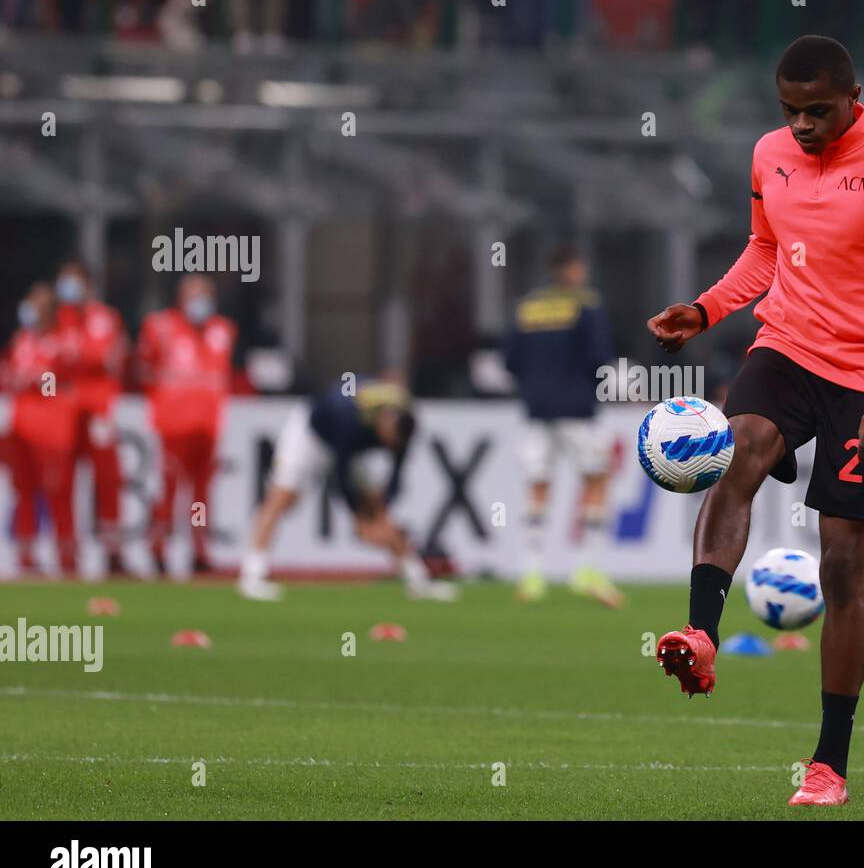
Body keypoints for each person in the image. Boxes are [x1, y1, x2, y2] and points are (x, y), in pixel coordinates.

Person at [645, 35, 864, 806]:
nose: (804, 126)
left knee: (843, 568)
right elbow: (764, 250)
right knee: (735, 448)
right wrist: (708, 308)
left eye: (819, 111)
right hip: (787, 345)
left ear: (855, 97)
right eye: (791, 112)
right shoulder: (769, 154)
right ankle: (701, 634)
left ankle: (830, 762)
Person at [237, 378, 457, 603]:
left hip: (347, 450)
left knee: (378, 509)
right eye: (389, 438)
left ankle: (417, 580)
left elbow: (395, 480)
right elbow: (341, 475)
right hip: (311, 435)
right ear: (384, 421)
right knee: (281, 499)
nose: (390, 446)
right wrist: (358, 517)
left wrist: (377, 512)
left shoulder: (404, 428)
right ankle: (252, 575)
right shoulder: (349, 418)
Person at [503, 245, 623, 608]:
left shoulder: (527, 306)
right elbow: (599, 357)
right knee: (596, 478)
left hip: (536, 409)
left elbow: (509, 361)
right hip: (577, 409)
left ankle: (532, 574)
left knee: (538, 486)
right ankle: (585, 568)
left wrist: (537, 384)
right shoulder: (585, 305)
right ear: (569, 269)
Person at [136, 274, 236, 577]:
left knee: (201, 495)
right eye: (193, 295)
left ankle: (199, 550)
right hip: (174, 424)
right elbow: (142, 368)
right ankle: (158, 548)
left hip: (207, 424)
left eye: (204, 294)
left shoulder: (222, 330)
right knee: (168, 490)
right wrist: (162, 402)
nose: (199, 302)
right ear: (180, 297)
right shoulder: (161, 327)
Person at [55, 261, 128, 575]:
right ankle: (67, 554)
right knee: (62, 482)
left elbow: (105, 358)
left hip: (98, 410)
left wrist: (72, 363)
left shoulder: (104, 318)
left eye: (75, 282)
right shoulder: (55, 319)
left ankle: (113, 550)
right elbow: (47, 368)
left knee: (108, 479)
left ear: (87, 285)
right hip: (62, 411)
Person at [4, 282, 81, 575]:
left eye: (37, 304)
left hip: (51, 431)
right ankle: (26, 556)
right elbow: (13, 377)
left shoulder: (61, 342)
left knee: (58, 493)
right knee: (23, 491)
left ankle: (67, 558)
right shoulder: (23, 340)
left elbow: (52, 385)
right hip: (21, 427)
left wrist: (36, 379)